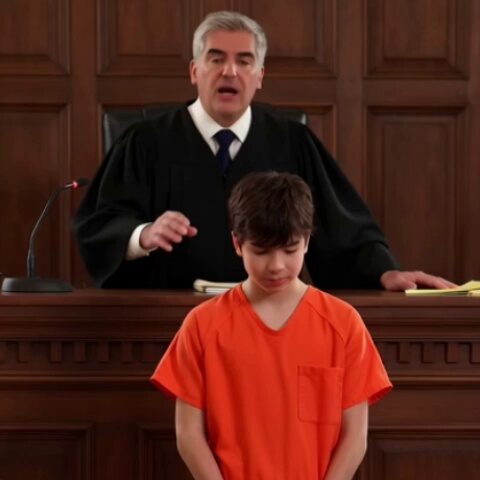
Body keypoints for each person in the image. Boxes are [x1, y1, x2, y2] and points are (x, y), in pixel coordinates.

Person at [73, 10, 455, 291]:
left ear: (259, 76)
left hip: (271, 316)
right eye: (216, 59)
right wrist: (143, 234)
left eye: (244, 61)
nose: (230, 72)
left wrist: (382, 272)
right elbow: (99, 225)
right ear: (194, 71)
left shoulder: (292, 142)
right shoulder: (144, 142)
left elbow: (343, 228)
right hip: (169, 323)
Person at [151, 171, 392, 479]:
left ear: (306, 241)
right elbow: (188, 435)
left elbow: (355, 436)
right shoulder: (202, 325)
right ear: (237, 243)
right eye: (261, 251)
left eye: (290, 250)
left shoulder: (344, 323)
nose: (276, 265)